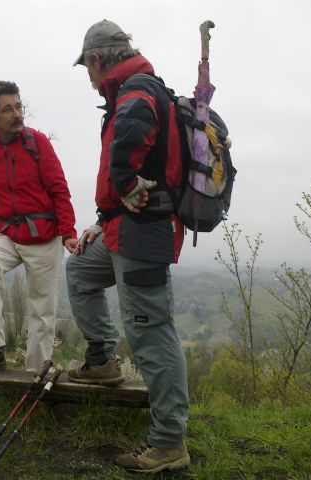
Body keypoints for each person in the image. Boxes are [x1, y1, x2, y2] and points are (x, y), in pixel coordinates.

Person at [66, 20, 190, 473]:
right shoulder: (134, 90)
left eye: (88, 68)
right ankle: (101, 359)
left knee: (151, 335)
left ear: (98, 59)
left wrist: (121, 180)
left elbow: (133, 141)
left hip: (143, 234)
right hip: (120, 230)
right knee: (80, 271)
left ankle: (168, 442)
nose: (89, 78)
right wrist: (103, 219)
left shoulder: (136, 91)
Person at [0, 81, 77, 374]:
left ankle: (34, 374)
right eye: (8, 109)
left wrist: (69, 233)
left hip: (45, 236)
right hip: (8, 235)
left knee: (41, 311)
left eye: (19, 106)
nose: (17, 114)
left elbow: (60, 190)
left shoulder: (38, 144)